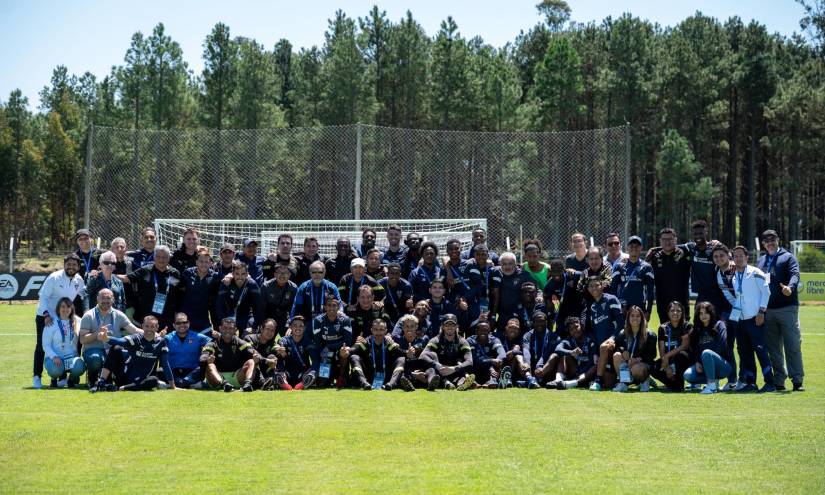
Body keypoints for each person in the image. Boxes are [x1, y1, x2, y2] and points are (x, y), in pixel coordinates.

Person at [719, 245, 775, 393]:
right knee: (745, 352)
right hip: (740, 320)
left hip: (755, 319)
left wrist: (761, 312)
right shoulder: (734, 276)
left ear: (747, 257)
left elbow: (766, 292)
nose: (738, 258)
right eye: (735, 256)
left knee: (760, 350)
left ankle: (770, 382)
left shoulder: (755, 272)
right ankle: (750, 382)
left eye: (741, 256)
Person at [757, 229, 804, 391]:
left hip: (787, 308)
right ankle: (779, 380)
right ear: (763, 244)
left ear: (778, 240)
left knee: (792, 345)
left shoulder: (788, 257)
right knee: (773, 348)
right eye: (767, 240)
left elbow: (795, 274)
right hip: (768, 310)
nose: (770, 243)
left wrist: (790, 287)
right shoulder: (761, 261)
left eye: (773, 239)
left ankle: (797, 380)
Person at [33, 253, 85, 389]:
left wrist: (84, 314)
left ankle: (63, 377)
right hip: (46, 316)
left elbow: (83, 296)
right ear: (64, 265)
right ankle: (37, 377)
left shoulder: (79, 280)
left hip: (64, 316)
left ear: (78, 267)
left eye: (74, 265)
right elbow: (43, 296)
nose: (71, 267)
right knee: (42, 346)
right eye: (68, 264)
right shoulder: (54, 277)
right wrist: (46, 315)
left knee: (65, 343)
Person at [90, 315, 175, 392]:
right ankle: (101, 382)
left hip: (141, 380)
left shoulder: (161, 342)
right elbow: (120, 341)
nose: (149, 329)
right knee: (116, 348)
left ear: (157, 327)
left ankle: (122, 388)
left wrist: (172, 386)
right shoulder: (136, 338)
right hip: (124, 377)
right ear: (142, 326)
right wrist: (106, 338)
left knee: (153, 380)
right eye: (147, 326)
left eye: (152, 326)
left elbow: (165, 364)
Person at [78, 288, 143, 385]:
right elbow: (82, 340)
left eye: (108, 298)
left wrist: (152, 333)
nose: (105, 301)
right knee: (95, 359)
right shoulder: (88, 315)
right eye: (103, 298)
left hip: (113, 351)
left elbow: (134, 330)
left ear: (113, 300)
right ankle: (92, 378)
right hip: (94, 349)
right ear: (97, 299)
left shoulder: (119, 315)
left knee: (127, 354)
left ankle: (111, 378)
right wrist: (97, 334)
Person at [119, 245, 183, 330]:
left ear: (169, 258)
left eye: (164, 257)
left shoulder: (175, 273)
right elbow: (126, 278)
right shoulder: (145, 270)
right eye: (158, 257)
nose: (161, 260)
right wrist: (105, 273)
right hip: (144, 318)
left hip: (167, 319)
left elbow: (179, 294)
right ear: (154, 257)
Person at [583, 277, 624, 391]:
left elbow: (621, 323)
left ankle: (597, 381)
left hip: (616, 343)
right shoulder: (592, 306)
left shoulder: (611, 299)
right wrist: (596, 352)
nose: (594, 288)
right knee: (609, 382)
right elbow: (595, 331)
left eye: (596, 285)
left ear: (602, 285)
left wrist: (613, 338)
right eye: (591, 286)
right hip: (603, 352)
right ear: (588, 289)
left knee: (604, 347)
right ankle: (634, 379)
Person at [684, 301, 732, 394]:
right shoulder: (696, 330)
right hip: (704, 367)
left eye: (706, 312)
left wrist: (709, 360)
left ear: (711, 313)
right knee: (687, 375)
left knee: (706, 352)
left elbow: (722, 345)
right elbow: (694, 350)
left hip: (723, 366)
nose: (703, 315)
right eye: (701, 313)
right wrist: (697, 362)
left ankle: (711, 386)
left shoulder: (719, 324)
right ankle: (712, 381)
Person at [646, 228, 691, 323]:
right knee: (665, 330)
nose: (667, 242)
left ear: (675, 240)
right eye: (664, 239)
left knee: (683, 330)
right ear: (660, 241)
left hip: (682, 303)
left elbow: (699, 246)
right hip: (662, 304)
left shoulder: (685, 253)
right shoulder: (654, 256)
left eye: (670, 239)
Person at [199, 317, 257, 392]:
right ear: (220, 328)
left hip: (236, 377)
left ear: (235, 330)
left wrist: (260, 358)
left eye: (230, 328)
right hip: (216, 377)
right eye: (225, 328)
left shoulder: (240, 342)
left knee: (251, 361)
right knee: (210, 365)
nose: (228, 330)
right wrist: (207, 359)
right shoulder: (212, 343)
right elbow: (202, 358)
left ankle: (247, 384)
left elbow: (256, 354)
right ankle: (224, 384)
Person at [419, 314, 475, 391]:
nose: (450, 327)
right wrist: (437, 365)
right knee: (431, 367)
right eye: (447, 324)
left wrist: (454, 368)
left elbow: (470, 361)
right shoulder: (435, 340)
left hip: (454, 370)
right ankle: (435, 383)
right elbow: (422, 356)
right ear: (442, 326)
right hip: (439, 370)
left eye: (452, 325)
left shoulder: (462, 341)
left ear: (456, 326)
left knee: (462, 368)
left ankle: (460, 384)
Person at [310, 295, 353, 388]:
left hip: (338, 349)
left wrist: (330, 347)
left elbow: (348, 341)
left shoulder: (345, 320)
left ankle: (342, 377)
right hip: (324, 350)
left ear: (338, 307)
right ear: (325, 307)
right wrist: (324, 353)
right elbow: (317, 341)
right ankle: (320, 376)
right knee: (323, 384)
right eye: (329, 305)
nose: (331, 308)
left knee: (344, 352)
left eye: (334, 305)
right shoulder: (318, 320)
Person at [349, 319, 406, 390]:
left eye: (381, 329)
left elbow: (402, 352)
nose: (378, 332)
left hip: (386, 376)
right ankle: (364, 384)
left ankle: (391, 384)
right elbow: (352, 350)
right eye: (376, 329)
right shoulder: (366, 341)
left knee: (401, 359)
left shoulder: (389, 342)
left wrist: (406, 351)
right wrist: (346, 350)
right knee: (354, 357)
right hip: (368, 376)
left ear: (385, 331)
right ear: (372, 330)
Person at [610, 306, 657, 392]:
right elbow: (617, 348)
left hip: (642, 364)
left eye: (638, 316)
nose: (635, 318)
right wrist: (622, 351)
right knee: (616, 356)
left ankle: (645, 380)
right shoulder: (622, 333)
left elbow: (652, 355)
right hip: (628, 362)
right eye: (632, 316)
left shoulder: (650, 335)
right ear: (628, 318)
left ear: (642, 318)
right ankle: (624, 383)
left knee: (636, 368)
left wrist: (638, 359)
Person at [42, 297, 85, 388]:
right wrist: (54, 356)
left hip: (70, 359)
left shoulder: (78, 321)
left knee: (80, 367)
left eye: (68, 307)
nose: (65, 309)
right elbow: (46, 345)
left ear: (72, 308)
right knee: (55, 370)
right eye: (63, 306)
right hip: (55, 359)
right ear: (58, 308)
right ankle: (54, 379)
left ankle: (71, 379)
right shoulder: (52, 322)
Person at [651, 301, 693, 392]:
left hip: (684, 358)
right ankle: (673, 385)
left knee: (680, 355)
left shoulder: (687, 325)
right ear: (668, 312)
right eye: (672, 310)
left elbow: (684, 346)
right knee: (653, 367)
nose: (675, 313)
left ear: (682, 312)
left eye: (678, 311)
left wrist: (667, 356)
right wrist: (666, 367)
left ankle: (679, 383)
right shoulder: (663, 328)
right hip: (668, 359)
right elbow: (662, 350)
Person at [610, 236, 654, 319]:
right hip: (623, 309)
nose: (634, 248)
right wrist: (618, 307)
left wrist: (648, 311)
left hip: (640, 309)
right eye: (631, 246)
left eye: (637, 246)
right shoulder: (619, 267)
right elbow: (613, 289)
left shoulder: (647, 267)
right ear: (627, 248)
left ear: (641, 248)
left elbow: (650, 292)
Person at [291, 261, 342, 332]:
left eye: (320, 272)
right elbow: (296, 307)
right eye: (314, 272)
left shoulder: (331, 287)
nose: (317, 275)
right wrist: (291, 323)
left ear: (324, 273)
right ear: (310, 273)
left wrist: (340, 314)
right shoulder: (303, 287)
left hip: (326, 320)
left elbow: (339, 306)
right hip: (307, 321)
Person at [216, 261, 264, 337]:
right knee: (227, 337)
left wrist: (254, 326)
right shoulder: (226, 283)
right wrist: (223, 322)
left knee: (247, 336)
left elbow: (259, 306)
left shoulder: (252, 284)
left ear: (247, 274)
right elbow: (219, 305)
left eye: (243, 274)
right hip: (230, 314)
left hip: (247, 315)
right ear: (233, 274)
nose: (240, 277)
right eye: (237, 274)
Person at [179, 247, 221, 333]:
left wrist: (230, 276)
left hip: (202, 316)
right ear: (196, 262)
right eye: (201, 261)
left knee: (206, 340)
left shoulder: (215, 276)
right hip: (186, 315)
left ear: (210, 263)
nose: (204, 264)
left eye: (206, 262)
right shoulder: (188, 273)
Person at [165, 312, 211, 389]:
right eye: (178, 323)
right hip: (173, 372)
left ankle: (177, 384)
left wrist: (206, 352)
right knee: (160, 371)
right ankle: (188, 385)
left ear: (189, 323)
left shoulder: (197, 336)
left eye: (184, 322)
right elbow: (156, 343)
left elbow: (211, 342)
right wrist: (159, 337)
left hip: (192, 372)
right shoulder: (168, 337)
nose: (182, 325)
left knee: (202, 368)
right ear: (174, 325)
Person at [491, 252, 535, 331]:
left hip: (520, 312)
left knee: (523, 334)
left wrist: (539, 296)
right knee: (501, 334)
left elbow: (535, 288)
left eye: (510, 264)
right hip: (503, 313)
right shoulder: (496, 272)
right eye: (504, 264)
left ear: (515, 264)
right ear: (500, 264)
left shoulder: (524, 275)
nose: (507, 267)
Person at [551, 317, 598, 390]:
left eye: (576, 327)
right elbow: (557, 349)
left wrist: (582, 373)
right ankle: (558, 380)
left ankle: (571, 383)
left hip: (588, 372)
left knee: (597, 363)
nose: (574, 330)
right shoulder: (570, 340)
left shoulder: (591, 337)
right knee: (563, 355)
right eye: (571, 329)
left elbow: (593, 360)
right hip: (576, 370)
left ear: (581, 326)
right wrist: (571, 352)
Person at [495, 318, 540, 389]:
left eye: (516, 328)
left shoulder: (522, 339)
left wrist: (514, 351)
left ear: (519, 331)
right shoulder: (497, 337)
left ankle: (529, 378)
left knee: (518, 356)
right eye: (511, 327)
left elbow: (525, 352)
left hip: (515, 368)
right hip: (500, 365)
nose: (513, 330)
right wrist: (513, 351)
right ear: (506, 328)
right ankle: (511, 380)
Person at [274, 316, 316, 390]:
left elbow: (315, 359)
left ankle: (303, 383)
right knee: (279, 358)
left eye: (301, 326)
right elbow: (280, 343)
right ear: (290, 327)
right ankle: (283, 382)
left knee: (313, 372)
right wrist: (280, 349)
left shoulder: (308, 341)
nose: (298, 328)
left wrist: (310, 371)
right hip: (287, 373)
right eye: (295, 325)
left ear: (304, 328)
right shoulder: (285, 340)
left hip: (303, 373)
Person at [523, 311, 562, 386]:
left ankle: (536, 380)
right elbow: (526, 351)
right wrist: (527, 363)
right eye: (537, 321)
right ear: (533, 323)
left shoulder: (554, 337)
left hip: (545, 368)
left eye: (542, 321)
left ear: (546, 322)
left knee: (554, 356)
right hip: (531, 367)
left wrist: (540, 367)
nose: (539, 324)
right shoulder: (527, 336)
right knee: (520, 358)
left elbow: (546, 354)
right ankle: (530, 379)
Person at [393, 314, 429, 392]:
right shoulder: (396, 340)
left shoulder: (424, 339)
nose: (409, 329)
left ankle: (431, 383)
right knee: (401, 374)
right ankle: (409, 383)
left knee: (431, 370)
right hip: (406, 371)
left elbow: (426, 358)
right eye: (406, 326)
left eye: (412, 326)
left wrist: (421, 371)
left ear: (416, 327)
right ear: (402, 327)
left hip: (420, 371)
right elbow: (395, 360)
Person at [467, 319, 506, 388]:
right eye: (480, 330)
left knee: (500, 362)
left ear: (489, 331)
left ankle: (493, 381)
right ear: (476, 331)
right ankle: (473, 382)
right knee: (469, 363)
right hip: (475, 368)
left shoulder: (494, 340)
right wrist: (491, 362)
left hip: (490, 370)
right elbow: (475, 359)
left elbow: (502, 354)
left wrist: (498, 361)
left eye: (486, 330)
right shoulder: (470, 341)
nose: (483, 332)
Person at [261, 264, 298, 332]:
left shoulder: (293, 288)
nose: (282, 275)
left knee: (290, 333)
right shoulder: (266, 286)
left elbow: (293, 308)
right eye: (279, 273)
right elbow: (261, 307)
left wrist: (290, 323)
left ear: (289, 275)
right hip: (268, 315)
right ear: (275, 274)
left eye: (285, 273)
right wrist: (262, 323)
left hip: (284, 317)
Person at [245, 318, 280, 389]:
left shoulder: (273, 344)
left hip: (264, 371)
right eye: (267, 329)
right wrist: (267, 360)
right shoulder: (249, 338)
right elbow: (252, 355)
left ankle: (272, 381)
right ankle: (263, 382)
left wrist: (280, 354)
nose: (270, 332)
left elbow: (275, 358)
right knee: (254, 359)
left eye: (272, 331)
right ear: (261, 329)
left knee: (272, 357)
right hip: (247, 371)